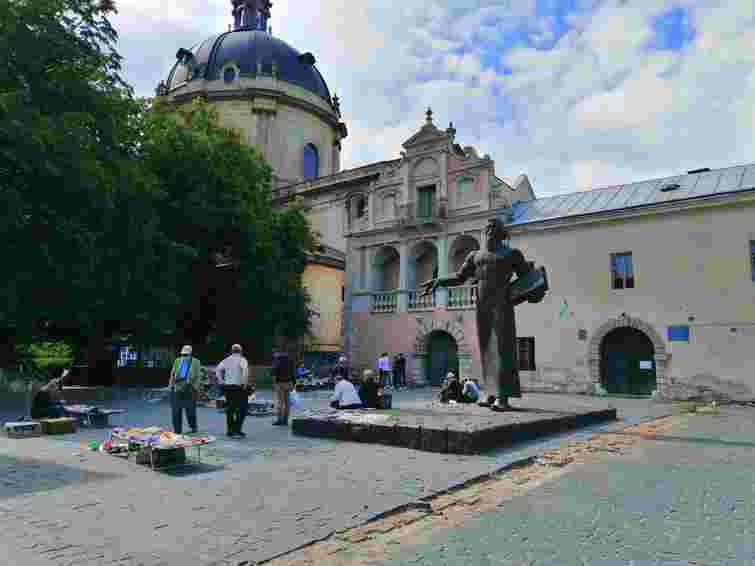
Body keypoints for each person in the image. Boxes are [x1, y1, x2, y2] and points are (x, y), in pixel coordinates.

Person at [421, 217, 548, 411]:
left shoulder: (511, 254)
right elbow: (460, 277)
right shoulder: (475, 256)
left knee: (502, 348)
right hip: (482, 305)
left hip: (502, 303)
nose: (489, 231)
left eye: (493, 228)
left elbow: (527, 278)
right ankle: (491, 393)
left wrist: (536, 291)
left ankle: (503, 397)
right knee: (486, 347)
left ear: (501, 233)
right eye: (487, 228)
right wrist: (439, 281)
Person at [216, 343, 251, 438]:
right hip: (239, 387)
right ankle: (237, 429)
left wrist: (221, 381)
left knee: (230, 409)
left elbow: (218, 370)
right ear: (241, 351)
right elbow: (245, 371)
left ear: (231, 351)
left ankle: (230, 430)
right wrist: (244, 383)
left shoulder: (226, 360)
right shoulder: (242, 359)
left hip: (228, 387)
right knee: (242, 409)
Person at [169, 345, 202, 434]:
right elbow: (172, 373)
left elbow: (198, 376)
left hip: (190, 388)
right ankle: (177, 430)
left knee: (190, 410)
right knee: (176, 410)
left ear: (190, 354)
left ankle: (193, 426)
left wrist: (195, 387)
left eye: (186, 355)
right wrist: (171, 385)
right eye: (183, 354)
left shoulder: (196, 362)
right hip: (177, 388)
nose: (184, 356)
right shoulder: (177, 361)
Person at [271, 348, 293, 425]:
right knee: (287, 402)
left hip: (279, 383)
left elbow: (274, 373)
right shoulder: (290, 360)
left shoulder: (277, 361)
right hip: (288, 382)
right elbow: (293, 372)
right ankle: (285, 420)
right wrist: (293, 384)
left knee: (280, 402)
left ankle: (279, 420)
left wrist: (274, 384)